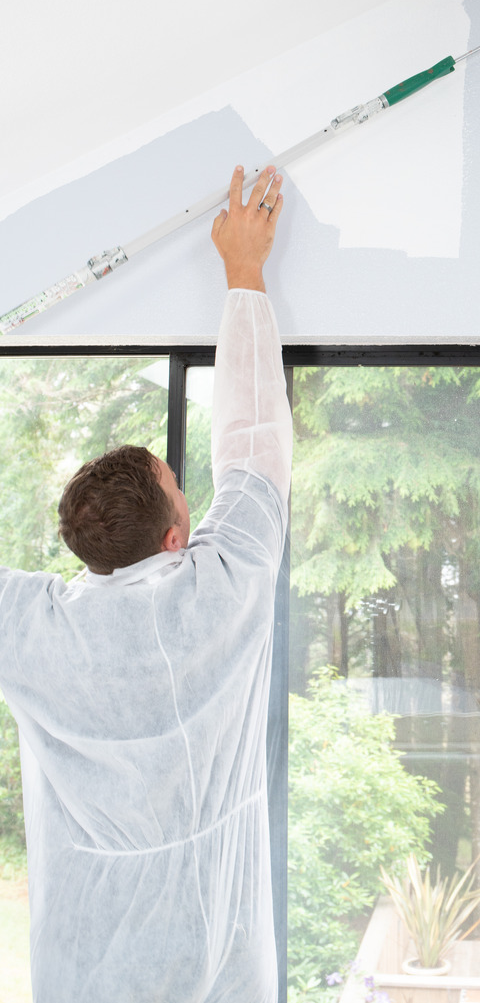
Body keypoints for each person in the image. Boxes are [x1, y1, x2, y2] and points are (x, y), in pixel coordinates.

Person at [0, 164, 291, 1002]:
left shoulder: (35, 630)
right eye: (183, 487)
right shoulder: (227, 584)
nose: (197, 495)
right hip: (227, 967)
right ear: (175, 535)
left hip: (89, 977)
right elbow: (253, 437)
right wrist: (243, 271)